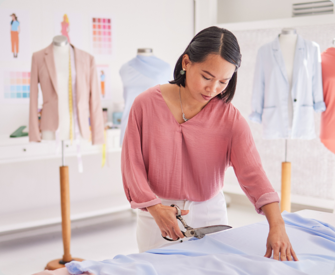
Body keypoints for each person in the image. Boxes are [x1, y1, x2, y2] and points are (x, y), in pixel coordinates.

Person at [121, 26, 298, 261]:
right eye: (206, 76)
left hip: (209, 214)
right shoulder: (145, 104)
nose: (213, 88)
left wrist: (277, 225)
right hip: (157, 214)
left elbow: (253, 174)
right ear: (186, 62)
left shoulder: (230, 118)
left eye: (223, 81)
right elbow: (132, 164)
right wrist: (154, 208)